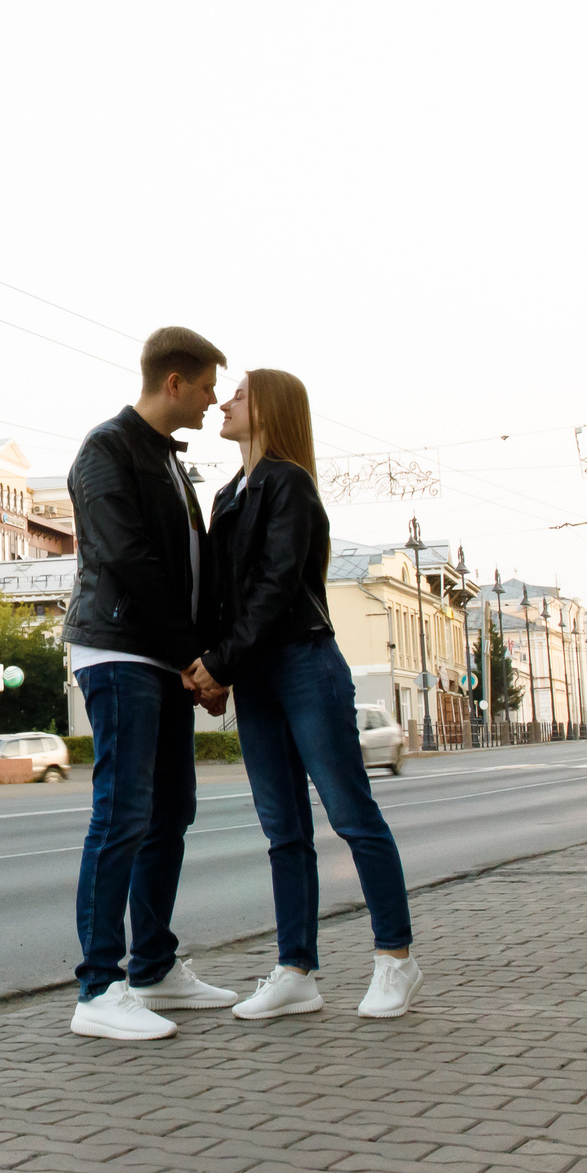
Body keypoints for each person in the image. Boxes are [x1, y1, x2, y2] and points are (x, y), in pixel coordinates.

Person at [185, 368, 423, 1021]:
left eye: (238, 394)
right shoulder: (231, 493)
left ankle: (396, 959)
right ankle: (296, 969)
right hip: (256, 673)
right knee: (282, 830)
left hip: (303, 663)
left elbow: (274, 588)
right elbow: (223, 599)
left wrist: (219, 661)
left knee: (351, 814)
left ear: (269, 409)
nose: (225, 402)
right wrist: (212, 669)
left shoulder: (289, 483)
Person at [62, 326, 241, 1040]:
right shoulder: (106, 450)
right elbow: (130, 561)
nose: (212, 400)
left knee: (171, 812)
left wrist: (202, 658)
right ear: (174, 382)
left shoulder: (167, 460)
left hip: (164, 660)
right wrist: (194, 657)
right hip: (120, 653)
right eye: (205, 387)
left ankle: (153, 966)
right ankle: (98, 988)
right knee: (123, 812)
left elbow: (187, 568)